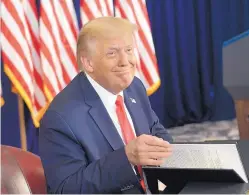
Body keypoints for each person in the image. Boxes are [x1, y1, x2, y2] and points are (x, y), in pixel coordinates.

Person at [39, 17, 173, 194]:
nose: (125, 61)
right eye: (112, 53)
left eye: (129, 50)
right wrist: (126, 159)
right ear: (88, 63)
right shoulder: (61, 118)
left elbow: (156, 132)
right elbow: (65, 189)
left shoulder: (134, 87)